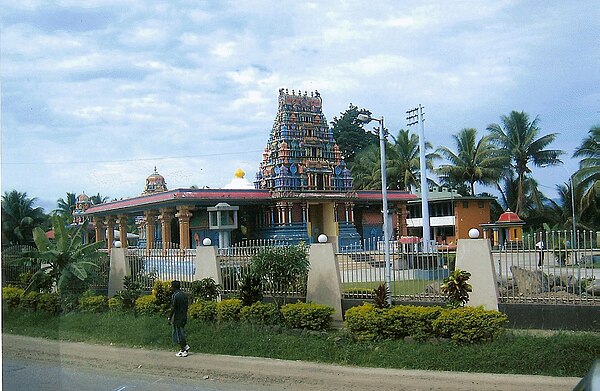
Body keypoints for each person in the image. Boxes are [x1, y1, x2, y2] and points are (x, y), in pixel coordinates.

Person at [168, 280, 190, 357]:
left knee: (178, 334)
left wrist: (169, 317)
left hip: (178, 317)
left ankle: (184, 349)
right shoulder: (184, 295)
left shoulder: (175, 295)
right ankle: (184, 347)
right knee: (181, 332)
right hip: (184, 316)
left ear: (173, 287)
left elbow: (173, 308)